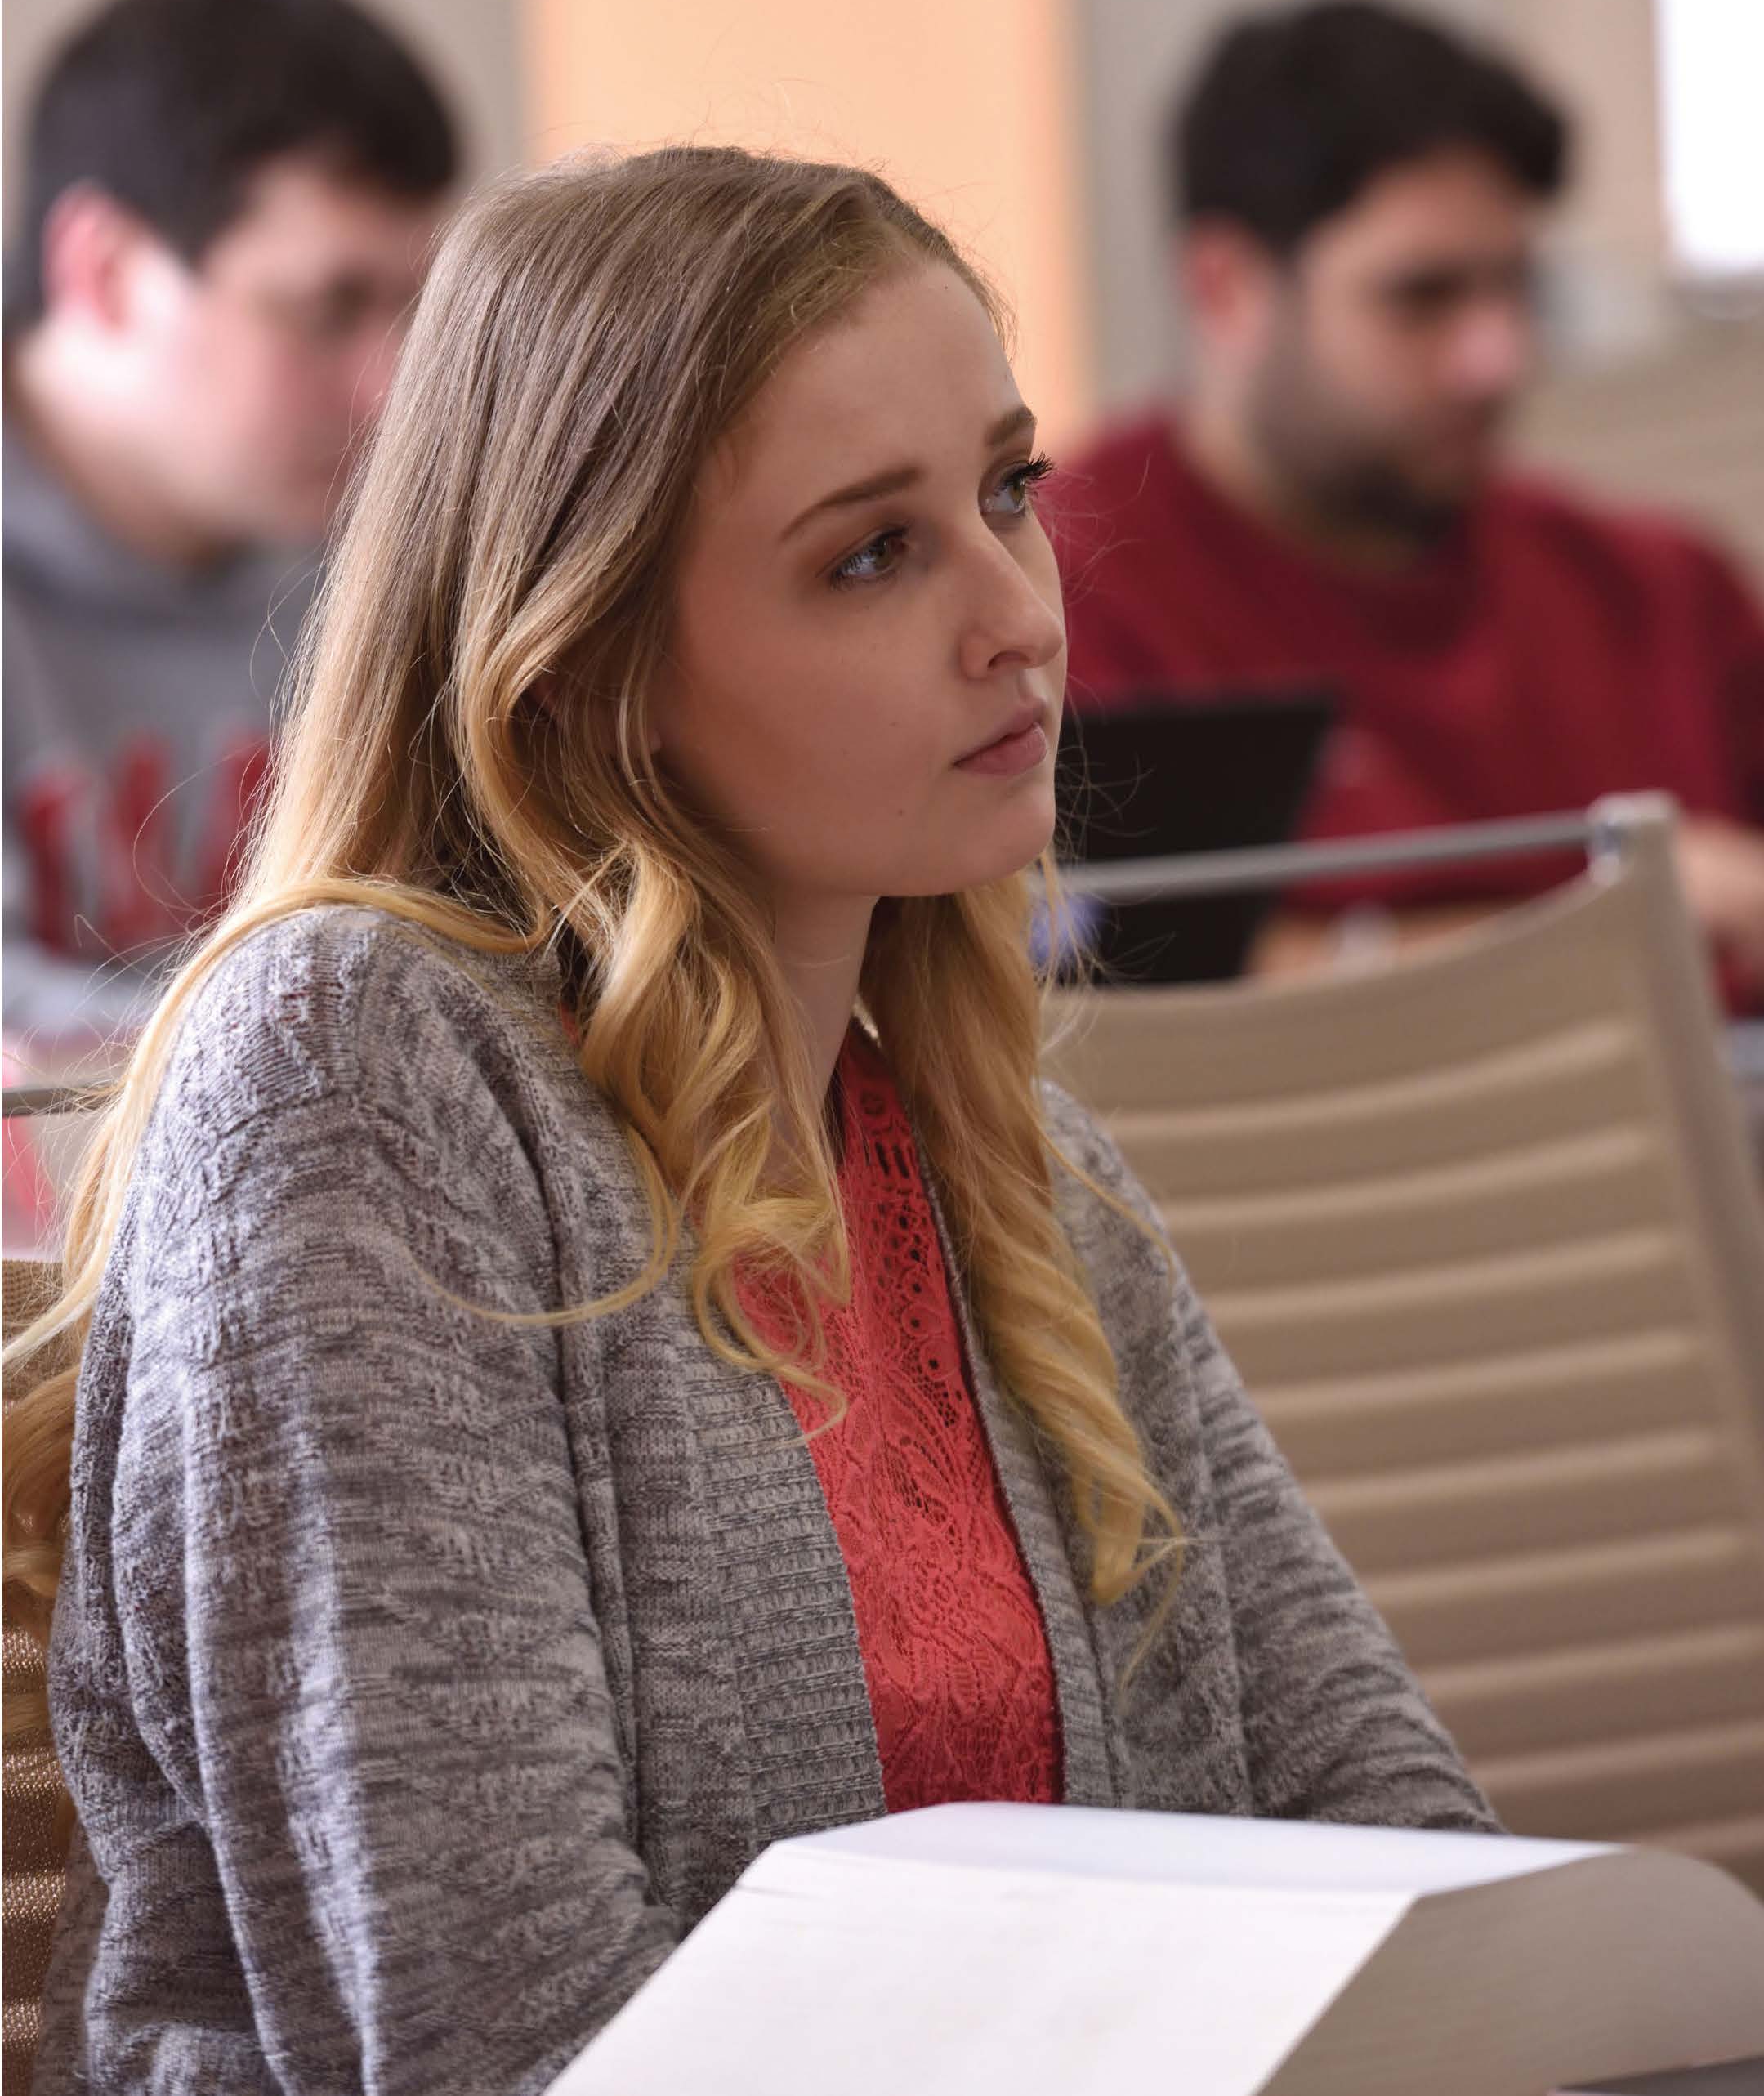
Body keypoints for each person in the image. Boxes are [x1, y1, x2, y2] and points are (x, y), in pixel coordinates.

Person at [0, 147, 1494, 2094]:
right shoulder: (353, 1072)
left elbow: (1405, 1856)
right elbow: (495, 2040)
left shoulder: (1011, 1173)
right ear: (592, 659)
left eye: (1008, 494)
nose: (1018, 616)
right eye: (871, 553)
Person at [1042, 0, 1764, 1009]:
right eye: (1423, 297)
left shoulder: (1666, 594)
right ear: (1225, 288)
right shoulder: (1053, 602)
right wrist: (1599, 930)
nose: (1497, 358)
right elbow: (1079, 981)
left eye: (1517, 290)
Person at [2, 0, 456, 1054]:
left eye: (420, 305)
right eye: (329, 307)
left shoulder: (383, 546)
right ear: (104, 270)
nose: (394, 385)